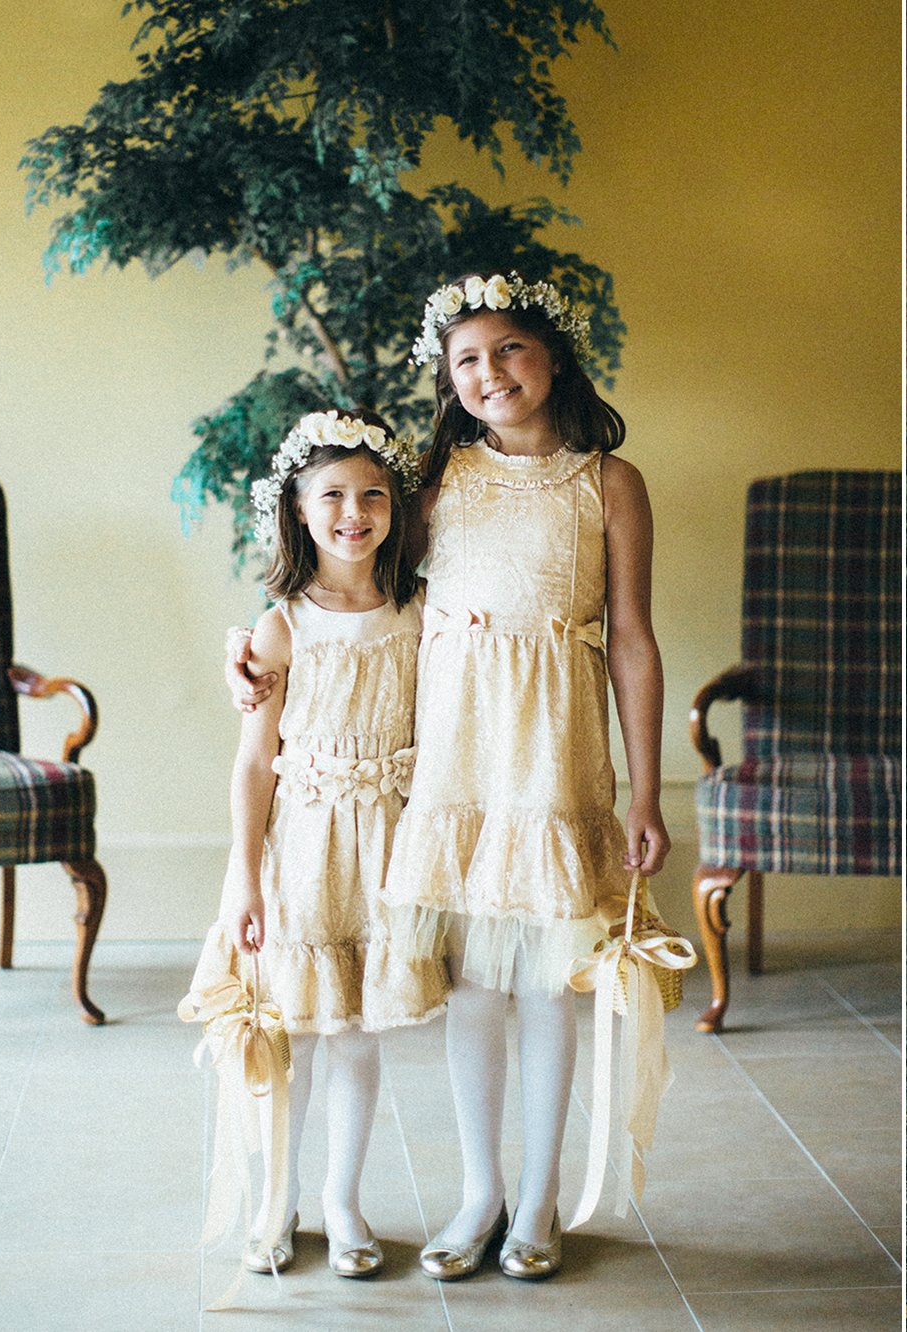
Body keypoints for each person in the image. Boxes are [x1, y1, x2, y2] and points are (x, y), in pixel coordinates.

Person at [231, 273, 684, 1282]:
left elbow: (634, 642)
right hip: (455, 761)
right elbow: (355, 593)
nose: (491, 374)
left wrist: (645, 790)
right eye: (467, 360)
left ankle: (538, 1200)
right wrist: (254, 655)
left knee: (544, 985)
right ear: (448, 378)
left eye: (510, 350)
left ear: (553, 356)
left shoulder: (607, 482)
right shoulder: (436, 482)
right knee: (476, 983)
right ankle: (478, 1191)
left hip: (555, 757)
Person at [184, 410, 446, 1278]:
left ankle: (344, 1199)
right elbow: (254, 762)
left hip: (387, 848)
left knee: (357, 1029)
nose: (354, 512)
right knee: (289, 1027)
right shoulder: (281, 625)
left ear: (396, 509)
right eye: (332, 494)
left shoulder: (420, 610)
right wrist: (246, 876)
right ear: (299, 509)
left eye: (374, 494)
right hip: (301, 847)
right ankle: (278, 1198)